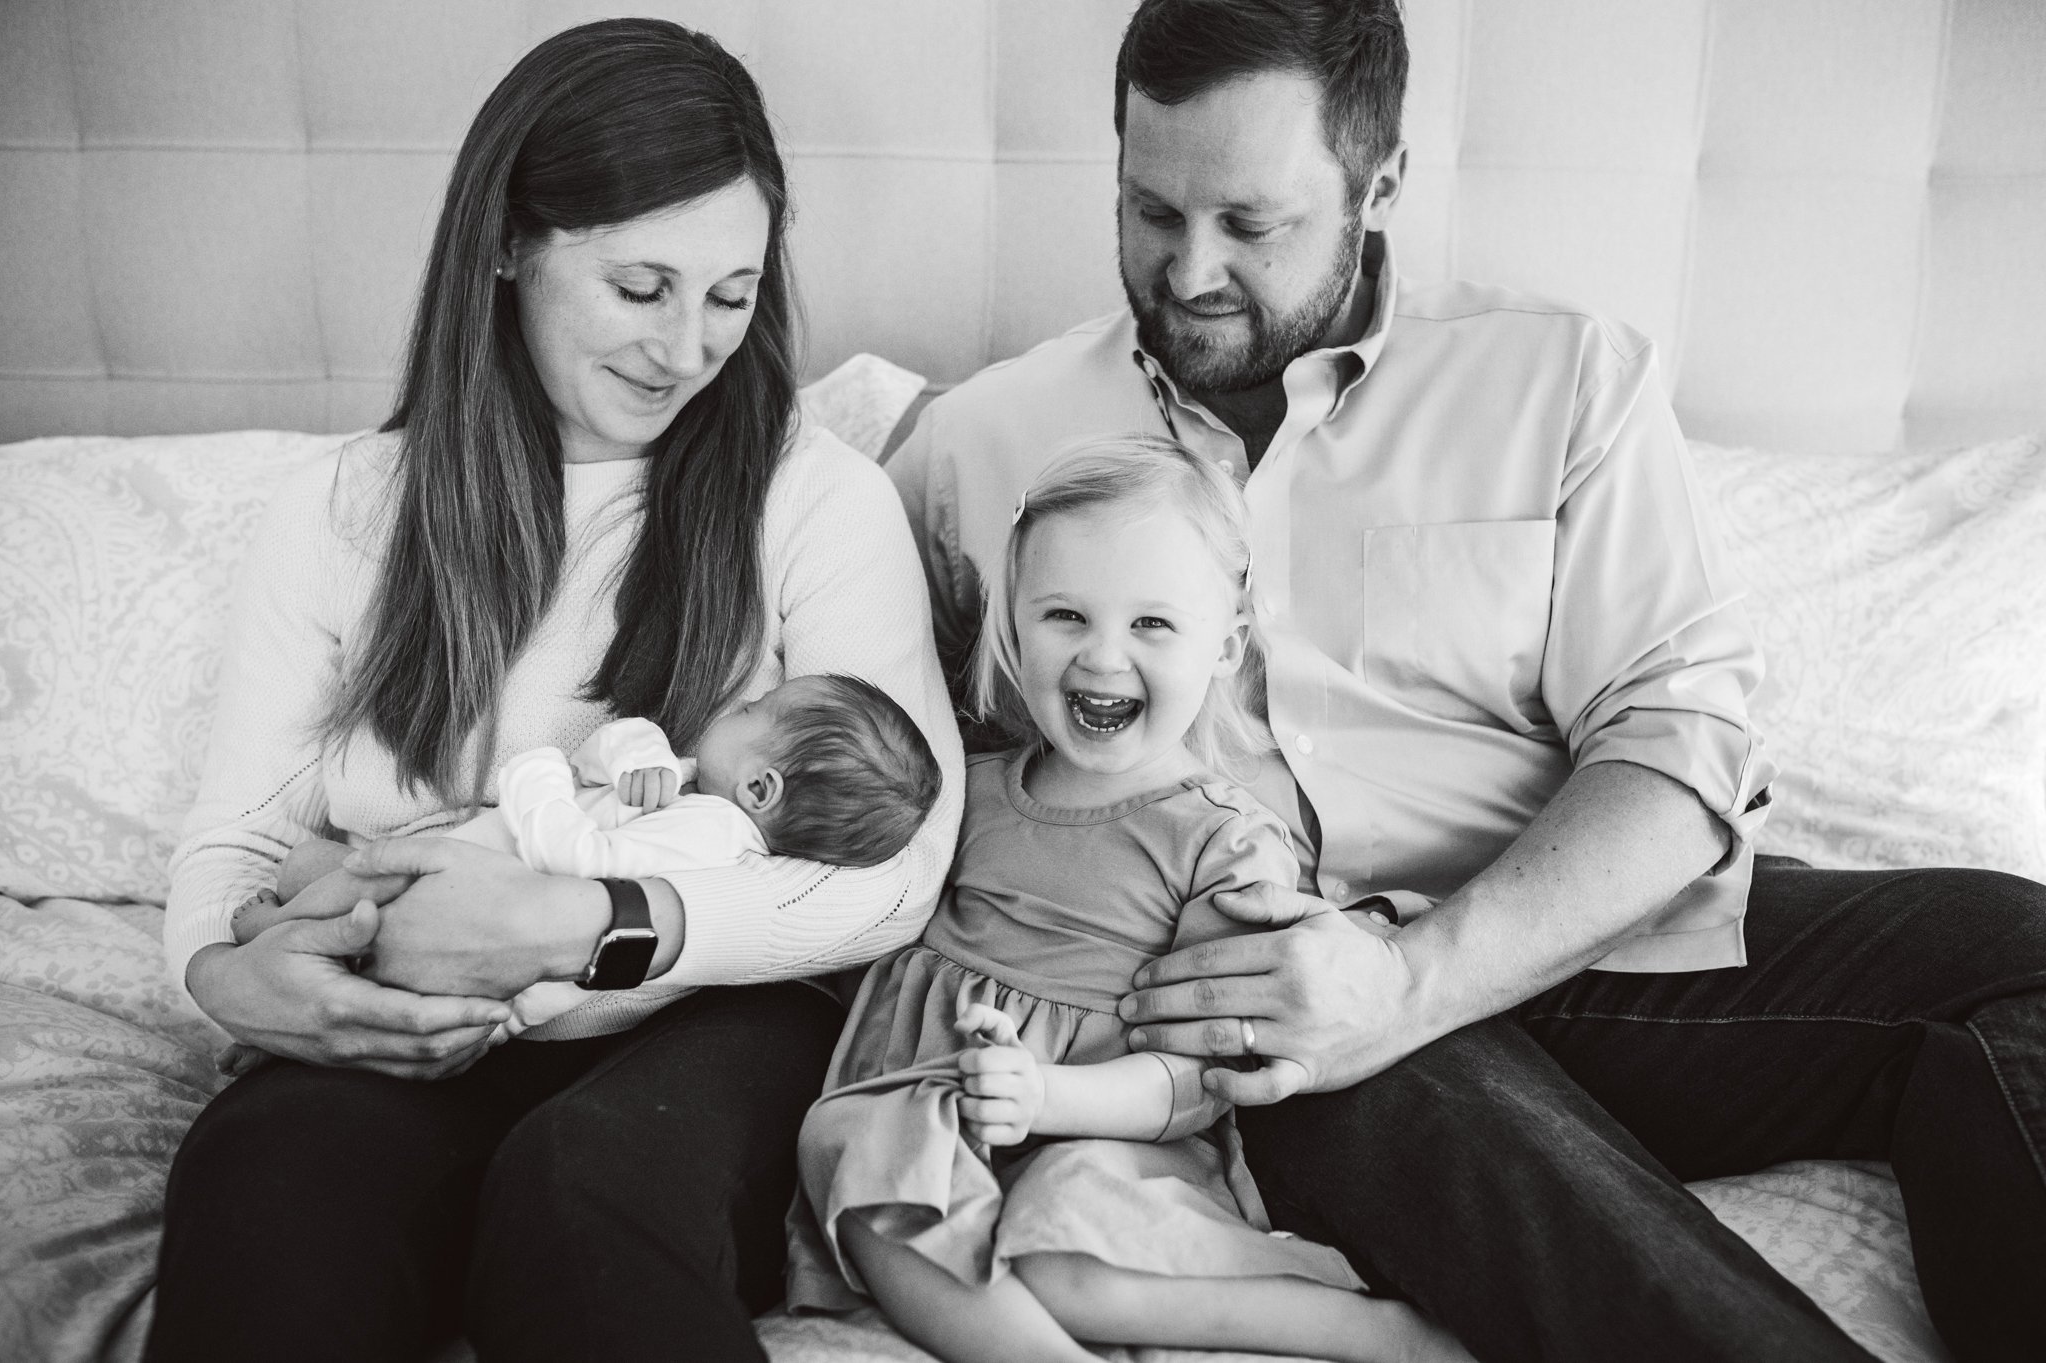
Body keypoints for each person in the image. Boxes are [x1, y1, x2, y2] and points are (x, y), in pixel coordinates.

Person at [883, 2, 2046, 1361]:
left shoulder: (1562, 375)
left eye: (1251, 226)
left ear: (1379, 186)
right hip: (1249, 997)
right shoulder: (977, 444)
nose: (1189, 269)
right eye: (1150, 211)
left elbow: (1680, 738)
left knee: (2012, 943)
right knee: (1398, 1100)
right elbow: (878, 756)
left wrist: (1418, 972)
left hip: (1568, 930)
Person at [147, 18, 963, 1363]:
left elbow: (897, 870)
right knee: (271, 1179)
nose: (690, 346)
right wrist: (229, 977)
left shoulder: (815, 499)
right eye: (641, 286)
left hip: (713, 1008)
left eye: (731, 292)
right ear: (510, 244)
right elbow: (235, 834)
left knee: (584, 1189)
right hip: (406, 1004)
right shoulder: (340, 513)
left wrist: (581, 918)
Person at [789, 437, 1469, 1363]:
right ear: (1013, 627)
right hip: (936, 1110)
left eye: (1152, 624)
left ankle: (1373, 1330)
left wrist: (1050, 1096)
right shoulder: (962, 789)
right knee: (860, 1148)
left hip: (1113, 1132)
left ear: (1223, 647)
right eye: (1065, 614)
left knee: (1063, 1250)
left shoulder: (1223, 841)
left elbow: (1197, 1076)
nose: (1102, 656)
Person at [228, 673, 943, 1041]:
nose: (737, 704)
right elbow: (605, 752)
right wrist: (637, 750)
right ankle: (282, 973)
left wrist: (537, 774)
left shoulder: (710, 838)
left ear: (761, 786)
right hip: (474, 879)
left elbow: (578, 865)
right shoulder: (702, 793)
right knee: (346, 890)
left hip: (480, 902)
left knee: (332, 876)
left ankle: (273, 936)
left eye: (754, 710)